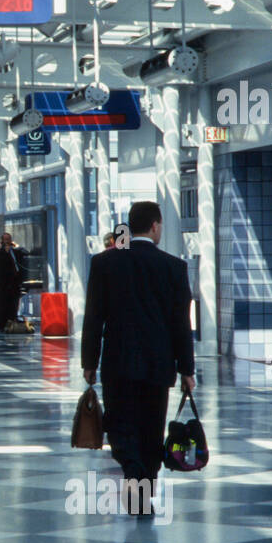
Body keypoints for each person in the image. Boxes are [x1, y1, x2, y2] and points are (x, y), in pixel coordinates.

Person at [81, 200, 195, 518]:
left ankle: (131, 470)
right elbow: (181, 325)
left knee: (119, 425)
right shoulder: (174, 267)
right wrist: (187, 369)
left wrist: (88, 362)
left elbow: (93, 318)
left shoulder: (105, 264)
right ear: (155, 226)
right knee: (151, 429)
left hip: (117, 363)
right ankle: (144, 494)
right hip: (159, 365)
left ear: (130, 226)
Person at [0, 232, 26, 328]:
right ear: (1, 242)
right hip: (0, 285)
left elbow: (25, 254)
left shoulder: (16, 253)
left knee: (13, 305)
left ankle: (11, 323)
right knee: (0, 305)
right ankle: (0, 325)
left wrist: (17, 247)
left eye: (9, 240)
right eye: (5, 240)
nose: (7, 243)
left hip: (13, 284)